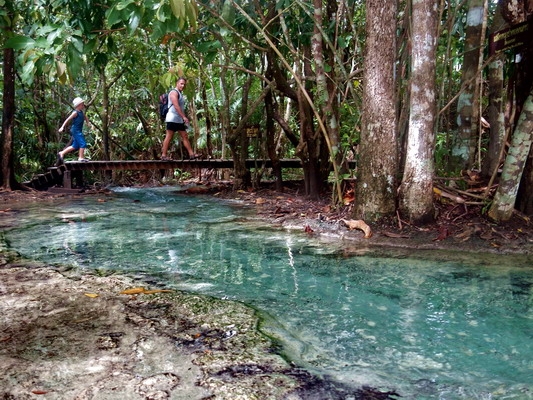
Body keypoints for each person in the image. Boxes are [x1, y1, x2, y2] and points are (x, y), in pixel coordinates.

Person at [161, 77, 199, 160]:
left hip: (178, 119)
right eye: (181, 83)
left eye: (184, 84)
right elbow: (176, 106)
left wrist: (182, 117)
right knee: (169, 136)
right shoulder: (173, 92)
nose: (183, 85)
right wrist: (184, 117)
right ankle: (163, 155)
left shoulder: (180, 93)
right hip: (172, 118)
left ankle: (191, 154)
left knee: (184, 136)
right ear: (177, 83)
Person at [57, 97, 91, 164]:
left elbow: (85, 117)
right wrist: (62, 127)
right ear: (78, 105)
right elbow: (68, 119)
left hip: (78, 130)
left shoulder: (81, 112)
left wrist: (88, 123)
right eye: (82, 104)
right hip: (75, 131)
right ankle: (81, 157)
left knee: (75, 145)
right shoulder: (75, 113)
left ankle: (62, 153)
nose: (83, 105)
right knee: (83, 143)